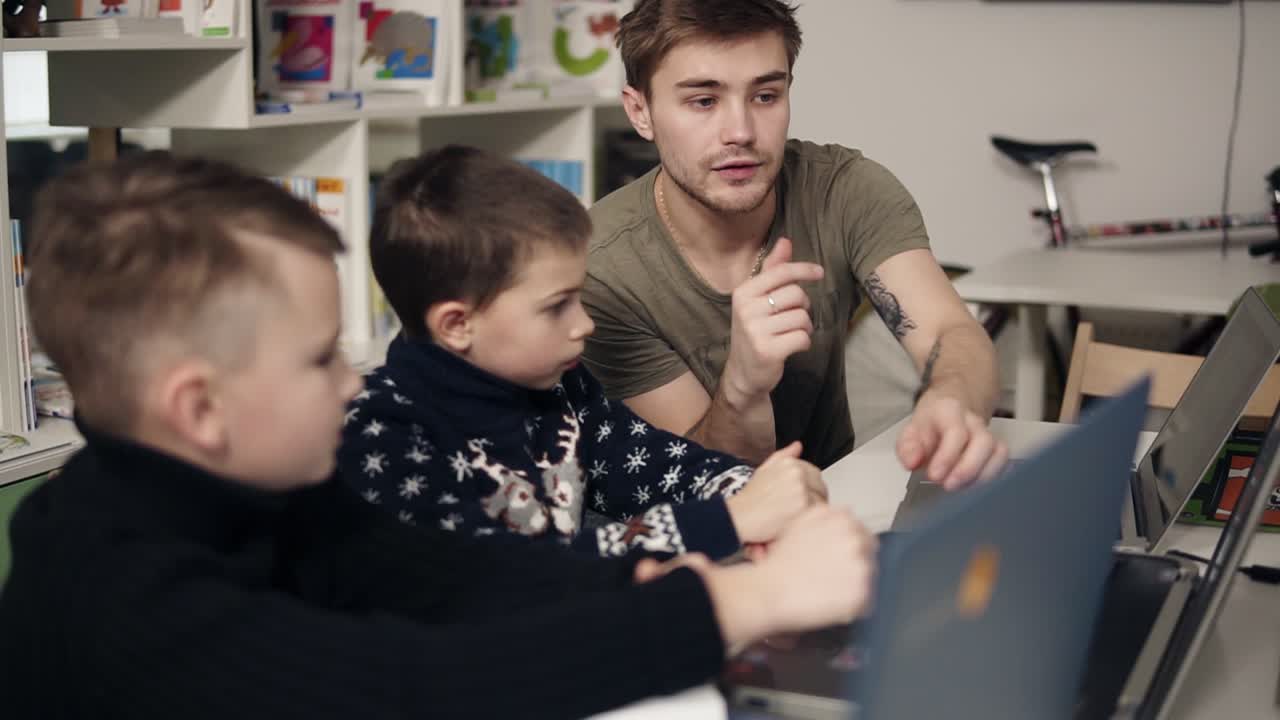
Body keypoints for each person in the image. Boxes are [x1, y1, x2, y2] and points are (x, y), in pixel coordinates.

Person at [0, 152, 877, 719]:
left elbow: (460, 576)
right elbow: (411, 683)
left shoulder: (275, 495)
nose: (349, 381)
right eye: (317, 362)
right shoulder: (115, 594)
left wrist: (642, 580)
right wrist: (739, 604)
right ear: (198, 408)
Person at [584, 0, 1007, 487]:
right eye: (703, 101)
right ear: (640, 112)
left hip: (838, 503)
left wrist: (950, 398)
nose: (740, 133)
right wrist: (742, 389)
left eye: (765, 95)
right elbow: (702, 487)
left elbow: (950, 334)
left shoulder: (846, 192)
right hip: (698, 537)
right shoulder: (603, 267)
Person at [340, 145, 825, 559]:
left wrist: (752, 489)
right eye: (557, 307)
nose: (584, 325)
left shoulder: (557, 384)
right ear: (457, 324)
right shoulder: (382, 434)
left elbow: (654, 462)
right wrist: (728, 522)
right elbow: (515, 578)